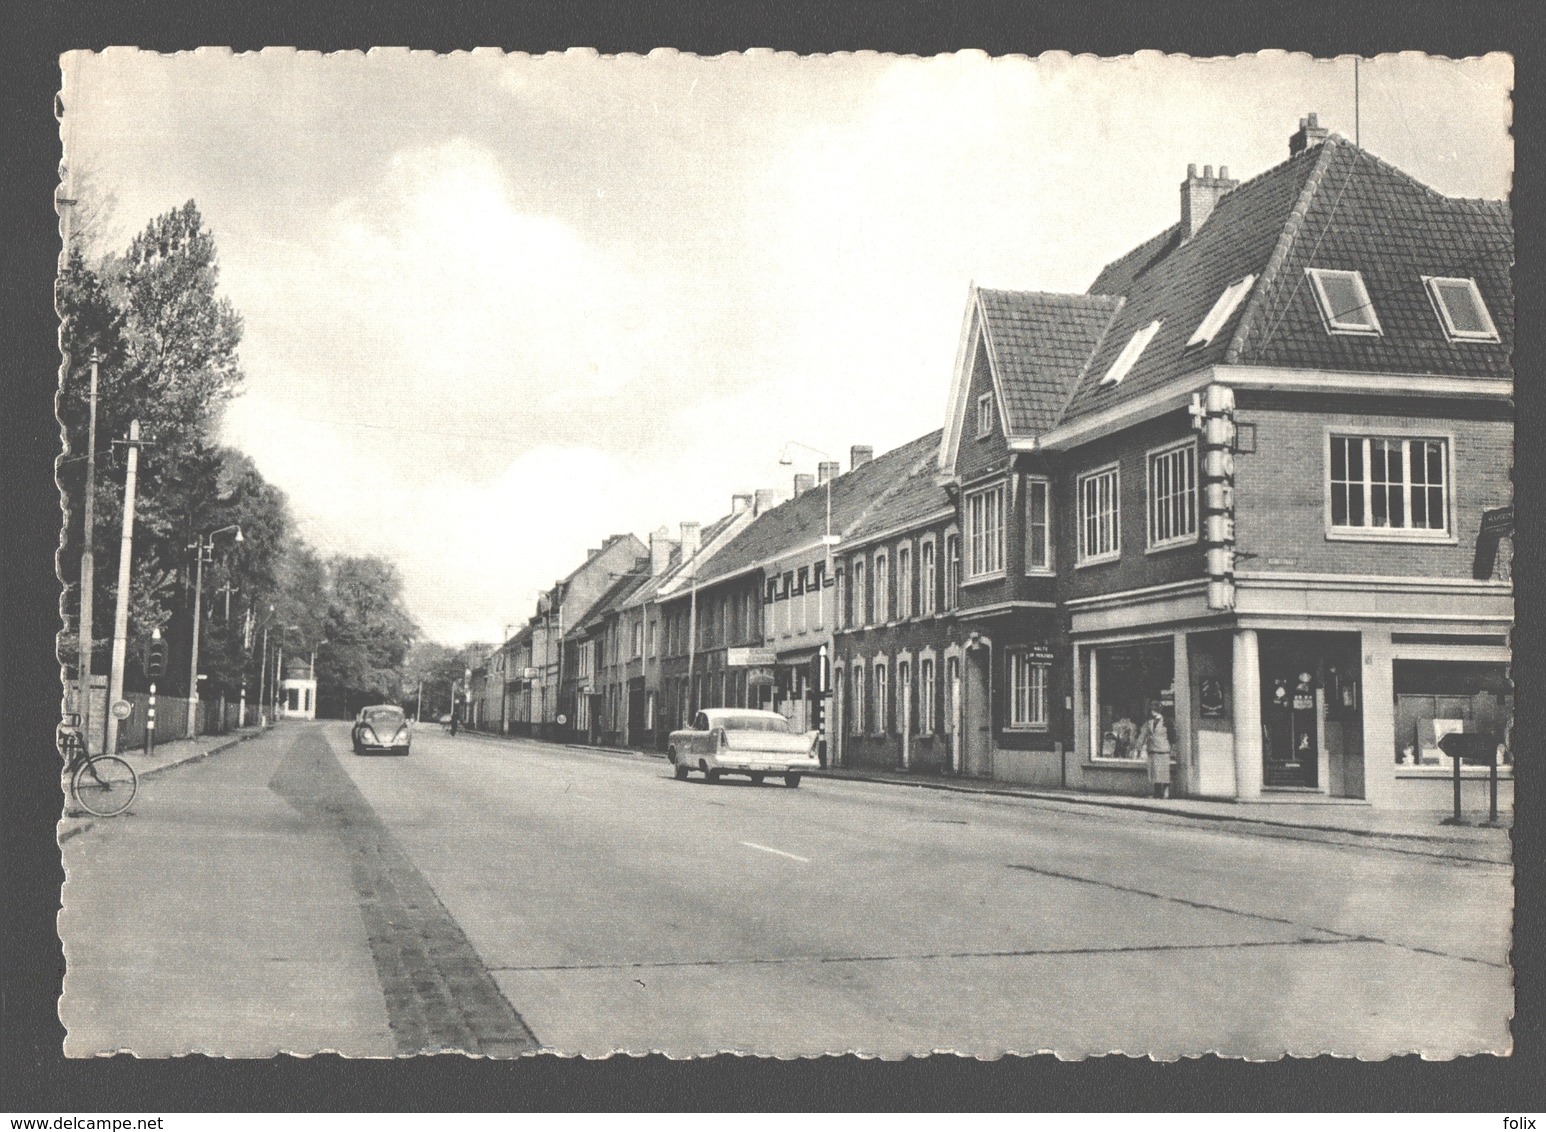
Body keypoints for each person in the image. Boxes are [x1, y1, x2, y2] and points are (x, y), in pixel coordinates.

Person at [1138, 703, 1172, 799]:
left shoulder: (1166, 722)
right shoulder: (1149, 722)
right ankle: (1157, 793)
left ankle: (1165, 792)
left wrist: (1171, 748)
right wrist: (1138, 748)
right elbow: (1142, 735)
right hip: (1152, 749)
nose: (1152, 711)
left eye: (1154, 710)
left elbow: (1172, 735)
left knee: (1164, 772)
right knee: (1155, 772)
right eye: (1152, 710)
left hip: (1163, 750)